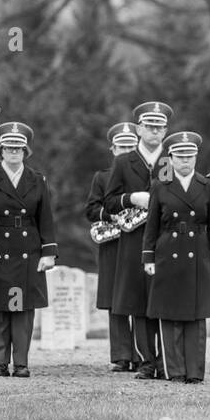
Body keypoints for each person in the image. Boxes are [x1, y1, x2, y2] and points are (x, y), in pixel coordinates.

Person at [0, 122, 57, 378]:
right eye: (9, 148)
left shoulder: (37, 179)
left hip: (28, 251)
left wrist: (48, 252)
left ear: (25, 151)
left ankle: (21, 362)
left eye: (19, 148)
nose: (14, 152)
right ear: (1, 151)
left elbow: (46, 219)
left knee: (23, 310)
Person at [142, 131, 210, 383]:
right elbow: (151, 226)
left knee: (197, 316)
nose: (185, 161)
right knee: (170, 314)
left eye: (190, 156)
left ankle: (195, 372)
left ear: (196, 157)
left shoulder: (207, 186)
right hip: (168, 252)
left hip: (198, 252)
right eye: (180, 156)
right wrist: (148, 257)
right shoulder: (159, 186)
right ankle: (174, 371)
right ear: (171, 158)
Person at [104, 101, 174, 379]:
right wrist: (131, 198)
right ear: (139, 129)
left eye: (159, 127)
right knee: (139, 302)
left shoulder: (173, 159)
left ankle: (168, 360)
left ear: (166, 130)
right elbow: (109, 202)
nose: (154, 132)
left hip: (166, 239)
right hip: (134, 241)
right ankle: (147, 361)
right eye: (149, 126)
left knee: (166, 300)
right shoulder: (123, 161)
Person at [85, 121, 139, 371]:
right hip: (113, 244)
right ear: (113, 149)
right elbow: (92, 209)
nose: (126, 150)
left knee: (140, 298)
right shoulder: (102, 177)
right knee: (115, 301)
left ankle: (141, 355)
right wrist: (112, 216)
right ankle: (120, 355)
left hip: (138, 242)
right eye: (122, 146)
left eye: (131, 146)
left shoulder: (144, 174)